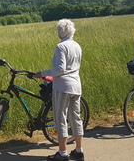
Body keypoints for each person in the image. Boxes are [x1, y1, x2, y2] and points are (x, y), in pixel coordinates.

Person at [34, 19, 84, 161]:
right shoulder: (77, 46)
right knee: (76, 118)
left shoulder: (61, 47)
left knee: (60, 118)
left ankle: (63, 153)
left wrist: (42, 73)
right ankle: (79, 150)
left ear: (60, 32)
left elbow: (60, 69)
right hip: (76, 85)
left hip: (63, 87)